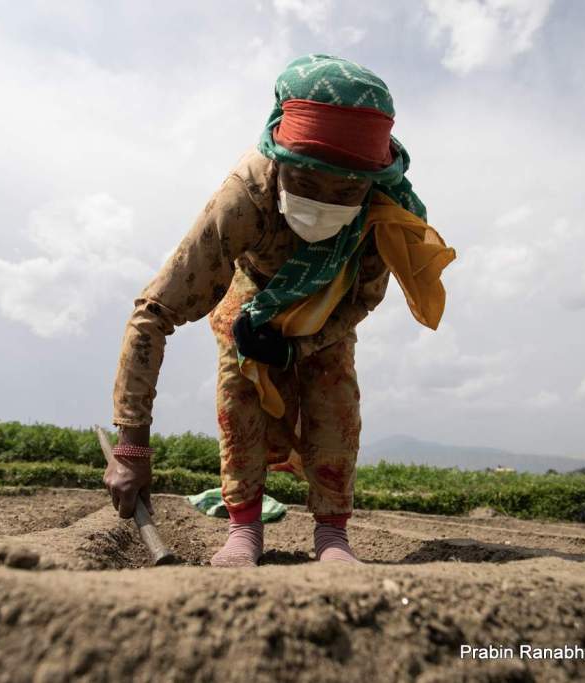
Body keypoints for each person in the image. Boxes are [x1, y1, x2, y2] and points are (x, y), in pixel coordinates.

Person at [106, 54, 455, 567]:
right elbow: (153, 312)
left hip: (329, 303)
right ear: (280, 158)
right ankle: (245, 529)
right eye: (309, 181)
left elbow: (363, 296)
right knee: (239, 390)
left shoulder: (385, 213)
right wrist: (131, 449)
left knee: (334, 398)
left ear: (372, 181)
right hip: (252, 290)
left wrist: (304, 343)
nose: (326, 200)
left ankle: (332, 535)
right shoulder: (243, 198)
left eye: (347, 188)